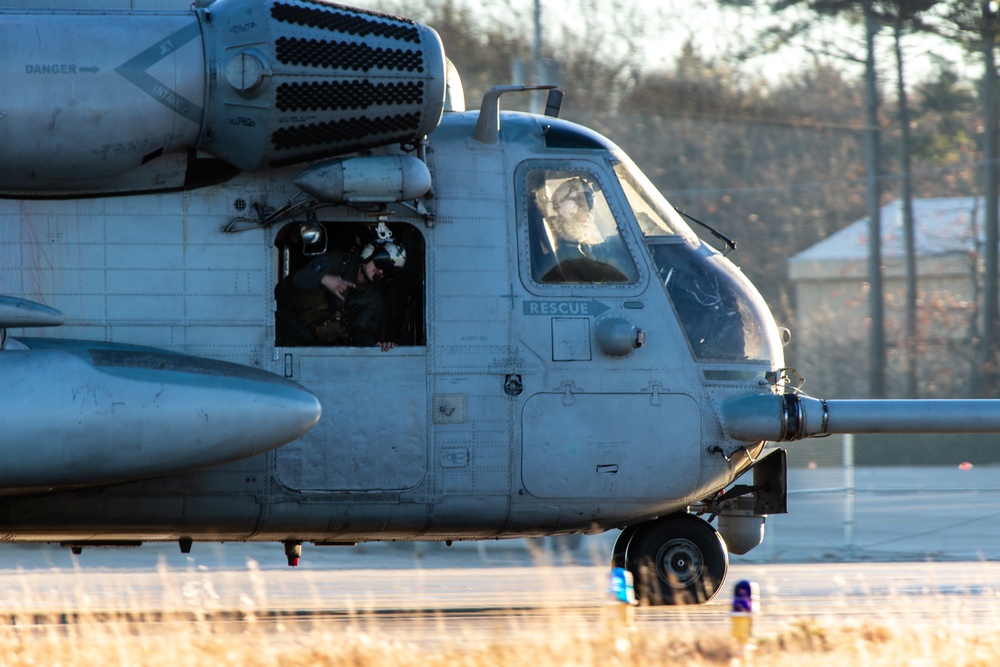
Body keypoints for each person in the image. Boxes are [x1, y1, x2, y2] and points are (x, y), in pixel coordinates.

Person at [277, 230, 406, 351]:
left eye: (388, 270)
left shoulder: (374, 301)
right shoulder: (337, 262)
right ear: (369, 252)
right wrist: (324, 279)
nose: (381, 271)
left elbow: (361, 334)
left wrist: (379, 346)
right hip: (286, 338)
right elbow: (298, 279)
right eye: (381, 263)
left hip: (319, 351)